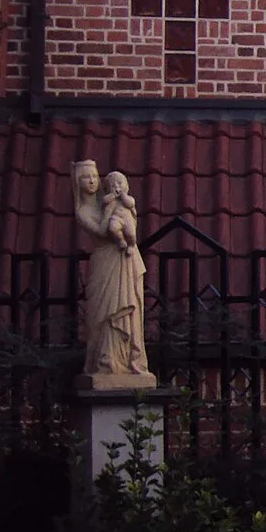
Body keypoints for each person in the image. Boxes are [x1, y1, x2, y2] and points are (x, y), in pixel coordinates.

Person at [72, 160, 149, 378]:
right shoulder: (83, 211)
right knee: (102, 313)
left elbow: (131, 217)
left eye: (95, 176)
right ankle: (104, 362)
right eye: (86, 177)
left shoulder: (109, 200)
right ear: (78, 182)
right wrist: (111, 211)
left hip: (126, 258)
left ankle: (126, 360)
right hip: (105, 261)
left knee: (128, 308)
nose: (92, 181)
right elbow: (102, 231)